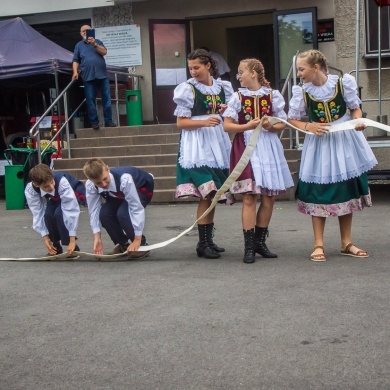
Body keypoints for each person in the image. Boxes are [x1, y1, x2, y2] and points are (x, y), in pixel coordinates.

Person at [287, 50, 377, 262]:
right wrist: (309, 125)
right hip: (318, 144)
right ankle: (318, 244)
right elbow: (292, 119)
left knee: (346, 188)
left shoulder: (343, 83)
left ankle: (347, 242)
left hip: (344, 140)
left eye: (302, 69)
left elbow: (355, 109)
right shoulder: (302, 92)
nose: (299, 74)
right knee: (318, 191)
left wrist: (358, 121)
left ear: (316, 67)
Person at [223, 58, 294, 264]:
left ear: (253, 73)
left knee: (269, 197)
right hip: (246, 146)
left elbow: (282, 123)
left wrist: (271, 126)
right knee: (249, 196)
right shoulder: (237, 97)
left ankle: (259, 242)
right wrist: (248, 126)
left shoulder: (273, 95)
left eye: (241, 72)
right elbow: (227, 126)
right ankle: (248, 246)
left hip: (268, 146)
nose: (239, 76)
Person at [173, 48, 234, 259]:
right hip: (196, 145)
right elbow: (180, 122)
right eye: (190, 68)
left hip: (216, 143)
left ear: (208, 65)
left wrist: (226, 111)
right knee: (206, 193)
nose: (193, 71)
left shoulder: (223, 87)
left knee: (214, 194)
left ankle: (208, 241)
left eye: (197, 67)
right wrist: (204, 121)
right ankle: (202, 243)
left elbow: (231, 114)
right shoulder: (187, 89)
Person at [83, 158, 154, 259]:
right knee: (104, 214)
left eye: (105, 179)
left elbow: (136, 207)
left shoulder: (124, 179)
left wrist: (137, 239)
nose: (103, 185)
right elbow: (94, 209)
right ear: (91, 181)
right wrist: (97, 237)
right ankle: (123, 245)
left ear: (108, 169)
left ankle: (142, 245)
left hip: (141, 187)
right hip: (117, 194)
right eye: (98, 183)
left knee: (123, 213)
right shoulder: (90, 185)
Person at [25, 164, 86, 257]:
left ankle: (73, 246)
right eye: (46, 186)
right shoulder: (30, 190)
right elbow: (37, 212)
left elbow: (70, 210)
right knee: (48, 215)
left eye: (52, 182)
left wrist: (72, 240)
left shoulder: (61, 181)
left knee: (59, 214)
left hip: (73, 192)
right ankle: (56, 246)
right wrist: (45, 238)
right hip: (55, 198)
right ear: (36, 184)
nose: (51, 187)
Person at [72, 25, 116, 130]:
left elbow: (104, 52)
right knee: (90, 100)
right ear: (80, 33)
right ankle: (94, 122)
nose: (85, 33)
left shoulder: (98, 42)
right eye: (83, 31)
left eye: (88, 31)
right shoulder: (78, 46)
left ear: (91, 32)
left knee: (107, 99)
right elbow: (75, 60)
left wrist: (94, 44)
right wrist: (75, 72)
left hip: (102, 75)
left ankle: (108, 121)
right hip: (88, 76)